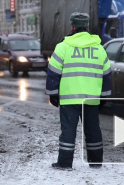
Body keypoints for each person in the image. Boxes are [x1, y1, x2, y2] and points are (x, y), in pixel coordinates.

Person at [45, 12, 111, 170]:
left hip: (69, 98)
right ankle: (95, 162)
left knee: (68, 131)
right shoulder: (99, 48)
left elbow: (53, 73)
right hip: (91, 99)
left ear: (72, 27)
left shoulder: (63, 47)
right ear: (87, 27)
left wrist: (53, 94)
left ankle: (65, 163)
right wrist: (104, 97)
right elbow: (107, 75)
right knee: (93, 130)